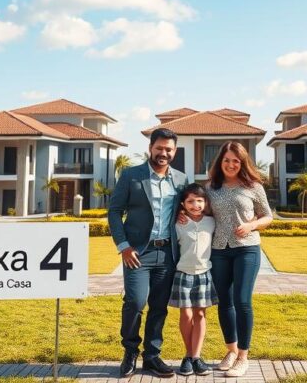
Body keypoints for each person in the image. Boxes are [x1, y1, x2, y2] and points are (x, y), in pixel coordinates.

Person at [107, 128, 188, 378]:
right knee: (135, 301)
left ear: (174, 152)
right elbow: (114, 212)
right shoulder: (132, 175)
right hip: (137, 254)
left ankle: (152, 356)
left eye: (169, 149)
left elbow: (189, 207)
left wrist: (185, 215)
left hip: (167, 255)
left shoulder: (181, 179)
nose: (163, 153)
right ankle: (130, 351)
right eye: (160, 148)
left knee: (159, 306)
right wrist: (124, 246)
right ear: (150, 148)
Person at [204, 141, 272, 377]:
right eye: (226, 160)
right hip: (219, 250)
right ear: (219, 162)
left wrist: (252, 224)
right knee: (224, 302)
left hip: (247, 249)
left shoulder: (253, 186)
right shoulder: (211, 188)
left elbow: (268, 216)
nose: (231, 164)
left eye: (236, 161)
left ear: (242, 163)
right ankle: (231, 351)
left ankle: (243, 356)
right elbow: (202, 212)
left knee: (242, 300)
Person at [170, 183, 217, 376]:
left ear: (205, 202)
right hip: (183, 274)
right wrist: (178, 214)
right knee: (186, 315)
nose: (195, 204)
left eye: (199, 200)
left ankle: (196, 357)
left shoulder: (211, 221)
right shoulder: (177, 223)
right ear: (183, 203)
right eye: (190, 201)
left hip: (204, 274)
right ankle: (188, 355)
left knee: (200, 315)